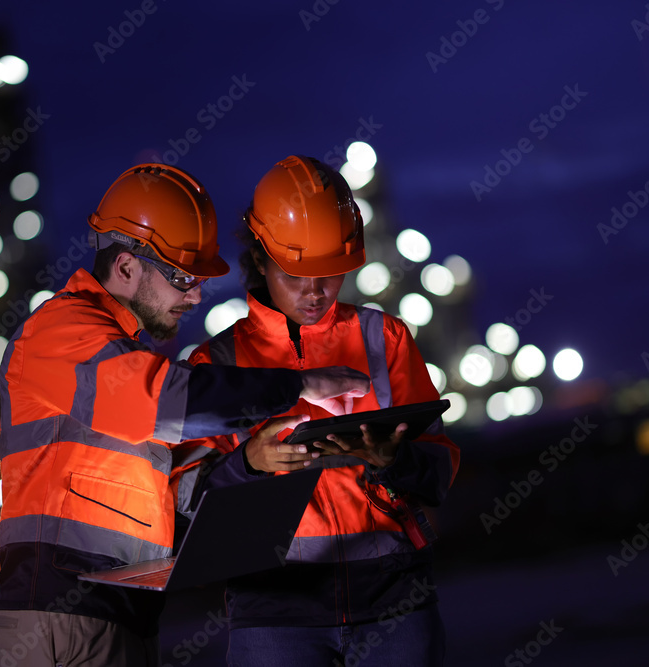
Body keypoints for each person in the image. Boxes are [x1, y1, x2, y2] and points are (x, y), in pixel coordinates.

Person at [0, 163, 370, 667]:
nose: (194, 295)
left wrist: (251, 464)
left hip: (118, 614)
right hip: (63, 611)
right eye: (182, 278)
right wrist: (297, 383)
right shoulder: (60, 332)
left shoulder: (118, 359)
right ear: (126, 267)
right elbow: (164, 403)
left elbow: (166, 495)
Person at [188, 155, 461, 666]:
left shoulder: (386, 338)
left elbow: (440, 470)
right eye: (297, 274)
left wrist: (394, 461)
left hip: (393, 601)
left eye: (331, 274)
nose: (316, 291)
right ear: (261, 256)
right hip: (275, 612)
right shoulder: (216, 364)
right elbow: (186, 500)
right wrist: (249, 462)